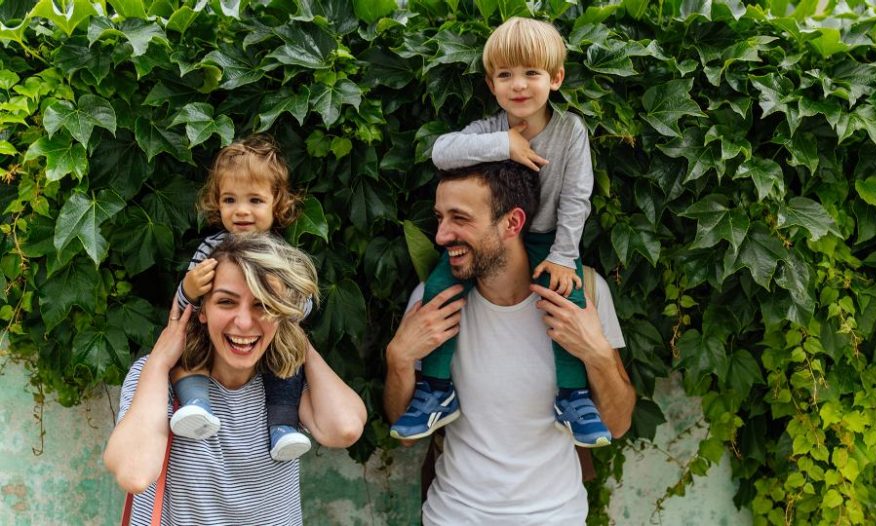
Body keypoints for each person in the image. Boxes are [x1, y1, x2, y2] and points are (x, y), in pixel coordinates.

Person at [391, 16, 607, 447]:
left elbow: (577, 197)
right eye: (505, 75)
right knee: (439, 288)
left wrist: (565, 255)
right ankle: (435, 389)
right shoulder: (490, 129)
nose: (519, 85)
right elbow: (441, 151)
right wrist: (504, 145)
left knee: (567, 300)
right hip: (493, 237)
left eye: (532, 73)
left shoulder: (570, 131)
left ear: (556, 78)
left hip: (548, 239)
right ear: (492, 85)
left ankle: (574, 396)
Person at [384, 161, 636, 524]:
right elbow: (405, 434)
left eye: (460, 219)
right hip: (454, 516)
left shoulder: (583, 294)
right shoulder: (433, 303)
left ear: (512, 223)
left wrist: (595, 353)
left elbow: (617, 424)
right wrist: (399, 358)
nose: (441, 235)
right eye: (440, 218)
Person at [104, 234, 366, 525]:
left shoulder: (286, 380)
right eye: (227, 302)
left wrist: (295, 339)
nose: (243, 322)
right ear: (202, 310)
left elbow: (345, 429)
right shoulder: (156, 376)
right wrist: (158, 363)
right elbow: (134, 473)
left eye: (263, 305)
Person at [170, 135, 315, 461]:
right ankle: (196, 404)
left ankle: (281, 428)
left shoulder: (281, 255)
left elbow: (304, 307)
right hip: (215, 344)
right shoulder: (210, 250)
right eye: (230, 200)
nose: (241, 211)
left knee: (291, 358)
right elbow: (183, 307)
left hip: (268, 342)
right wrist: (190, 289)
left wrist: (285, 300)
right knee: (187, 346)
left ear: (276, 203)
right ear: (216, 203)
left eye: (255, 200)